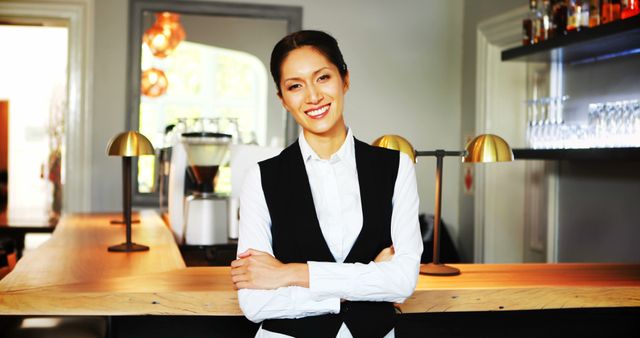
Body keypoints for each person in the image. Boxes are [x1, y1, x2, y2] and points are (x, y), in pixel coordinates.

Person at [230, 30, 423, 338]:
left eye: (322, 78)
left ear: (344, 79)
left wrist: (290, 273)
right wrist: (357, 289)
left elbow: (402, 281)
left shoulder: (396, 167)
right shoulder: (261, 177)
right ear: (282, 99)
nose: (313, 96)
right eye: (295, 86)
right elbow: (255, 302)